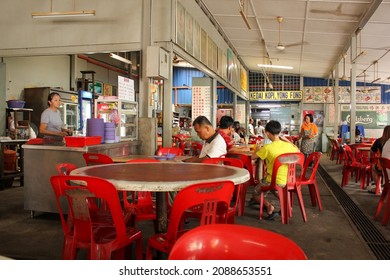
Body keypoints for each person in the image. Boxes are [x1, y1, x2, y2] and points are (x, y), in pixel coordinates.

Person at [249, 120, 299, 220]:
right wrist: (287, 140)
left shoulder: (267, 148)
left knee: (255, 194)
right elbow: (298, 151)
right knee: (276, 189)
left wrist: (257, 149)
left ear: (267, 133)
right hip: (289, 180)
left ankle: (269, 206)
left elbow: (252, 157)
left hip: (272, 181)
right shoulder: (290, 146)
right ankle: (286, 204)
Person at [369, 125, 390, 193]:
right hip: (387, 167)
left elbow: (372, 152)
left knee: (373, 168)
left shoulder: (379, 141)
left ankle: (378, 187)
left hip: (382, 165)